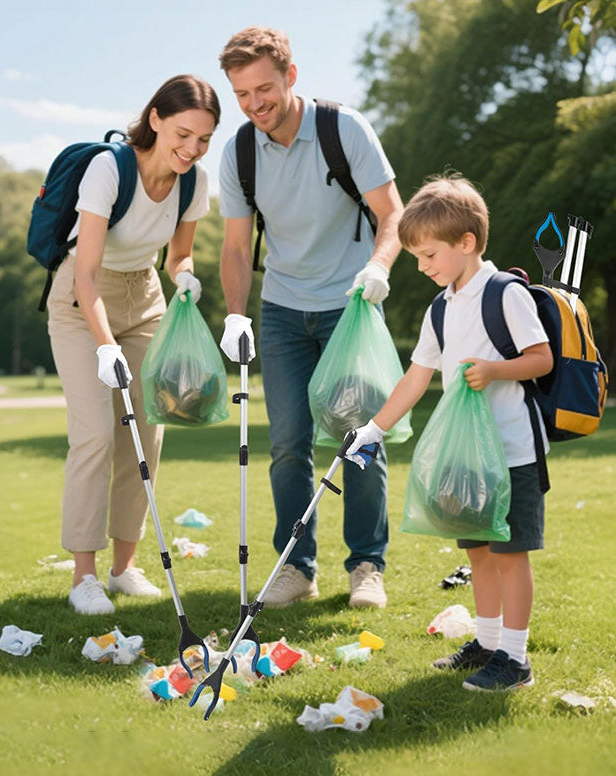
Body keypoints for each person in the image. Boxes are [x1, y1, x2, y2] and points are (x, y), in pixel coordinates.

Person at [216, 27, 404, 609]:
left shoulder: (343, 129)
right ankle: (296, 568)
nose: (254, 105)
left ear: (291, 76)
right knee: (289, 444)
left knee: (360, 439)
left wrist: (377, 267)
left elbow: (393, 214)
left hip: (350, 310)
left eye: (263, 89)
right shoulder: (239, 152)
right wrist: (236, 315)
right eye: (242, 95)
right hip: (281, 314)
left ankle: (366, 566)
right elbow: (236, 248)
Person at [347, 175, 553, 690]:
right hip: (468, 460)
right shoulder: (439, 309)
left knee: (510, 553)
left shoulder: (505, 293)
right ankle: (486, 643)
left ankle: (516, 659)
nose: (422, 267)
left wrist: (494, 370)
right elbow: (416, 377)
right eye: (415, 256)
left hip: (513, 451)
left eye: (430, 254)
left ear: (466, 243)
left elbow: (542, 358)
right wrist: (373, 429)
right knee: (478, 552)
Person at [47, 75, 220, 614]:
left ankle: (124, 569)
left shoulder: (194, 183)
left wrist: (186, 277)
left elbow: (177, 257)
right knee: (96, 434)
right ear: (155, 120)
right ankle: (84, 577)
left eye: (204, 140)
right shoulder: (109, 169)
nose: (191, 149)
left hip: (145, 297)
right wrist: (105, 347)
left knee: (145, 436)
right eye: (183, 134)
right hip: (82, 302)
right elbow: (87, 274)